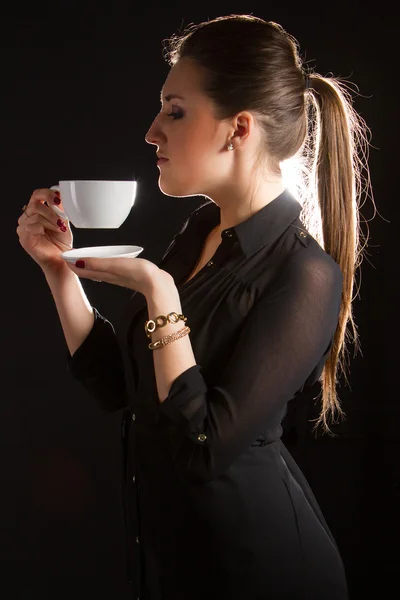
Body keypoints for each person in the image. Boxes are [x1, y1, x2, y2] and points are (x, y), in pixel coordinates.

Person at [17, 14, 371, 600]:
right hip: (175, 568)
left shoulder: (306, 275)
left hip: (264, 575)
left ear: (239, 129)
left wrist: (159, 293)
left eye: (175, 111)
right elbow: (121, 388)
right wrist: (57, 269)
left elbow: (201, 448)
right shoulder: (199, 233)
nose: (152, 131)